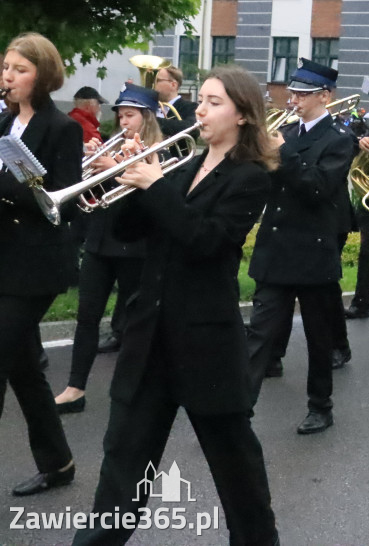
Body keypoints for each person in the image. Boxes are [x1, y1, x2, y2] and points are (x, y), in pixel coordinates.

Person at [72, 66, 278, 545]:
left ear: (243, 115)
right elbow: (129, 233)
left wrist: (153, 184)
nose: (200, 110)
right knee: (121, 471)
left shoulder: (250, 179)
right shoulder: (183, 166)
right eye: (200, 100)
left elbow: (205, 240)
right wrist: (123, 177)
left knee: (238, 476)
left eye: (213, 102)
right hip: (151, 339)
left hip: (207, 341)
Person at [246, 59, 353, 435]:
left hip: (313, 252)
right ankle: (239, 410)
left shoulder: (340, 139)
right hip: (276, 247)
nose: (294, 99)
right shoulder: (286, 132)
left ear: (325, 96)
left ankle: (320, 407)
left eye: (303, 94)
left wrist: (284, 154)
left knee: (318, 337)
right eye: (293, 92)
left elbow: (319, 187)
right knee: (258, 334)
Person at [0, 32, 80, 496]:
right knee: (23, 368)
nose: (8, 77)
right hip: (4, 256)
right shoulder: (3, 121)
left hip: (34, 264)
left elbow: (60, 202)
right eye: (6, 67)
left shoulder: (61, 127)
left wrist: (7, 186)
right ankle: (59, 463)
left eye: (20, 69)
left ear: (43, 76)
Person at [54, 85, 163, 414]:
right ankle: (75, 388)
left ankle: (132, 387)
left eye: (130, 115)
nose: (123, 122)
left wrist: (115, 168)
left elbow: (151, 200)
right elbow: (89, 193)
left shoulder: (160, 149)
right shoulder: (109, 145)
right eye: (120, 116)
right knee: (87, 317)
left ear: (146, 117)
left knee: (133, 321)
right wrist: (87, 160)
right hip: (100, 241)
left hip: (135, 247)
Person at [153, 65, 198, 136]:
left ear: (173, 85)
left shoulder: (190, 107)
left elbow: (192, 128)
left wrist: (152, 121)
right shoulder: (150, 107)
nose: (154, 84)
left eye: (158, 81)